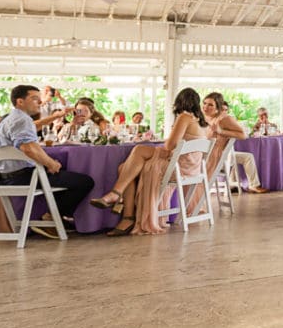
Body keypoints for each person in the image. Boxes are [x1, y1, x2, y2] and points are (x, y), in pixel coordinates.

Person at [88, 88, 209, 236]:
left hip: (177, 168)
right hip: (189, 168)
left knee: (138, 151)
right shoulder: (199, 121)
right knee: (124, 167)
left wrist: (169, 139)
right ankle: (126, 216)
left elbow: (170, 146)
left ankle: (117, 198)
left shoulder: (184, 117)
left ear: (179, 102)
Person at [0, 85, 95, 239]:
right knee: (84, 181)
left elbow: (32, 127)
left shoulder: (12, 118)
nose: (40, 101)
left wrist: (58, 116)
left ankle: (53, 218)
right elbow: (28, 148)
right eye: (34, 98)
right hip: (23, 177)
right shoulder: (22, 120)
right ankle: (50, 217)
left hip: (5, 177)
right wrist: (51, 164)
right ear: (20, 101)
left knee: (63, 177)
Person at [202, 92, 267, 194]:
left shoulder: (224, 119)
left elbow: (243, 135)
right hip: (205, 154)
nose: (205, 107)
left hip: (215, 158)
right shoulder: (202, 118)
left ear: (217, 107)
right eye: (204, 103)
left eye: (210, 105)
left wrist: (220, 131)